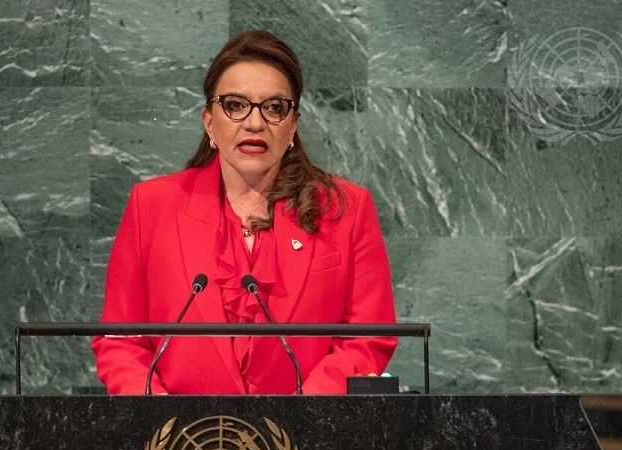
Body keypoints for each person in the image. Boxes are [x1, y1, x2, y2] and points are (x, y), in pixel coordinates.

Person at [91, 30, 396, 395]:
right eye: (235, 105)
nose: (254, 123)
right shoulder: (151, 205)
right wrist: (161, 415)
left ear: (293, 126)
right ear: (208, 121)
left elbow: (367, 339)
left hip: (308, 438)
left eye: (274, 107)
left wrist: (307, 413)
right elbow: (121, 342)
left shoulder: (346, 208)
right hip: (180, 443)